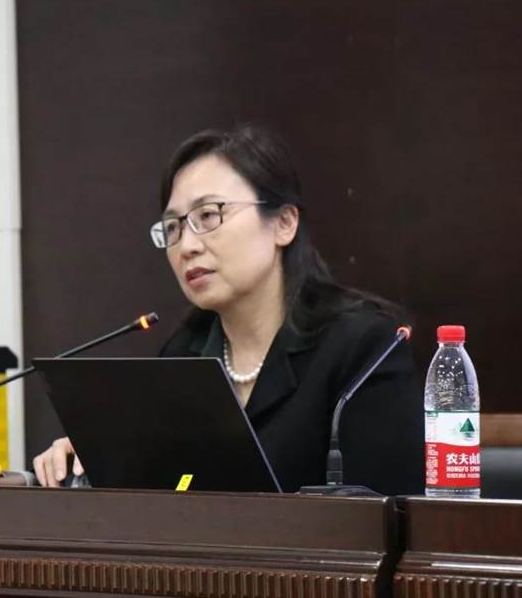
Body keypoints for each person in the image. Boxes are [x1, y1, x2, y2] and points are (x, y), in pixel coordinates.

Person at [33, 125, 424, 494]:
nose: (187, 246)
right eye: (173, 228)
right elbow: (168, 495)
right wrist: (101, 461)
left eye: (208, 215)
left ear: (284, 223)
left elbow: (388, 516)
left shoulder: (362, 349)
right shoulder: (183, 357)